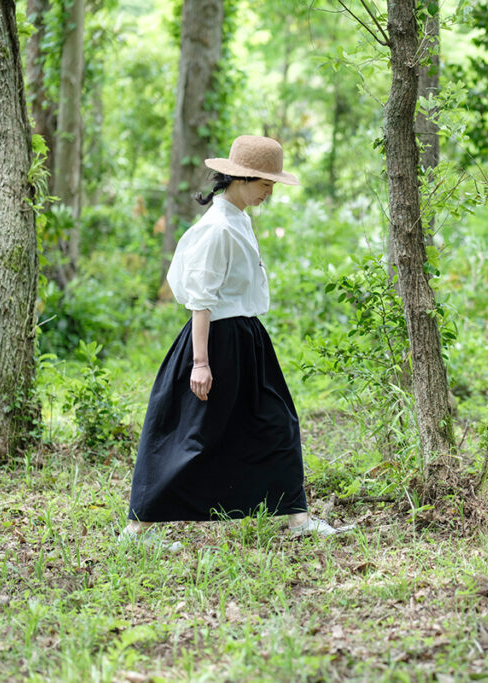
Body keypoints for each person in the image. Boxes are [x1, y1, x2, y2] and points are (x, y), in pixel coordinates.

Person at [121, 135, 349, 546]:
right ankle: (138, 529)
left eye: (273, 184)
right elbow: (202, 301)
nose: (269, 192)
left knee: (276, 422)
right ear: (241, 178)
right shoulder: (218, 228)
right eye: (265, 183)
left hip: (246, 338)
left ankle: (297, 518)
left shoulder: (237, 218)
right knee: (187, 433)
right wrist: (201, 362)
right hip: (217, 340)